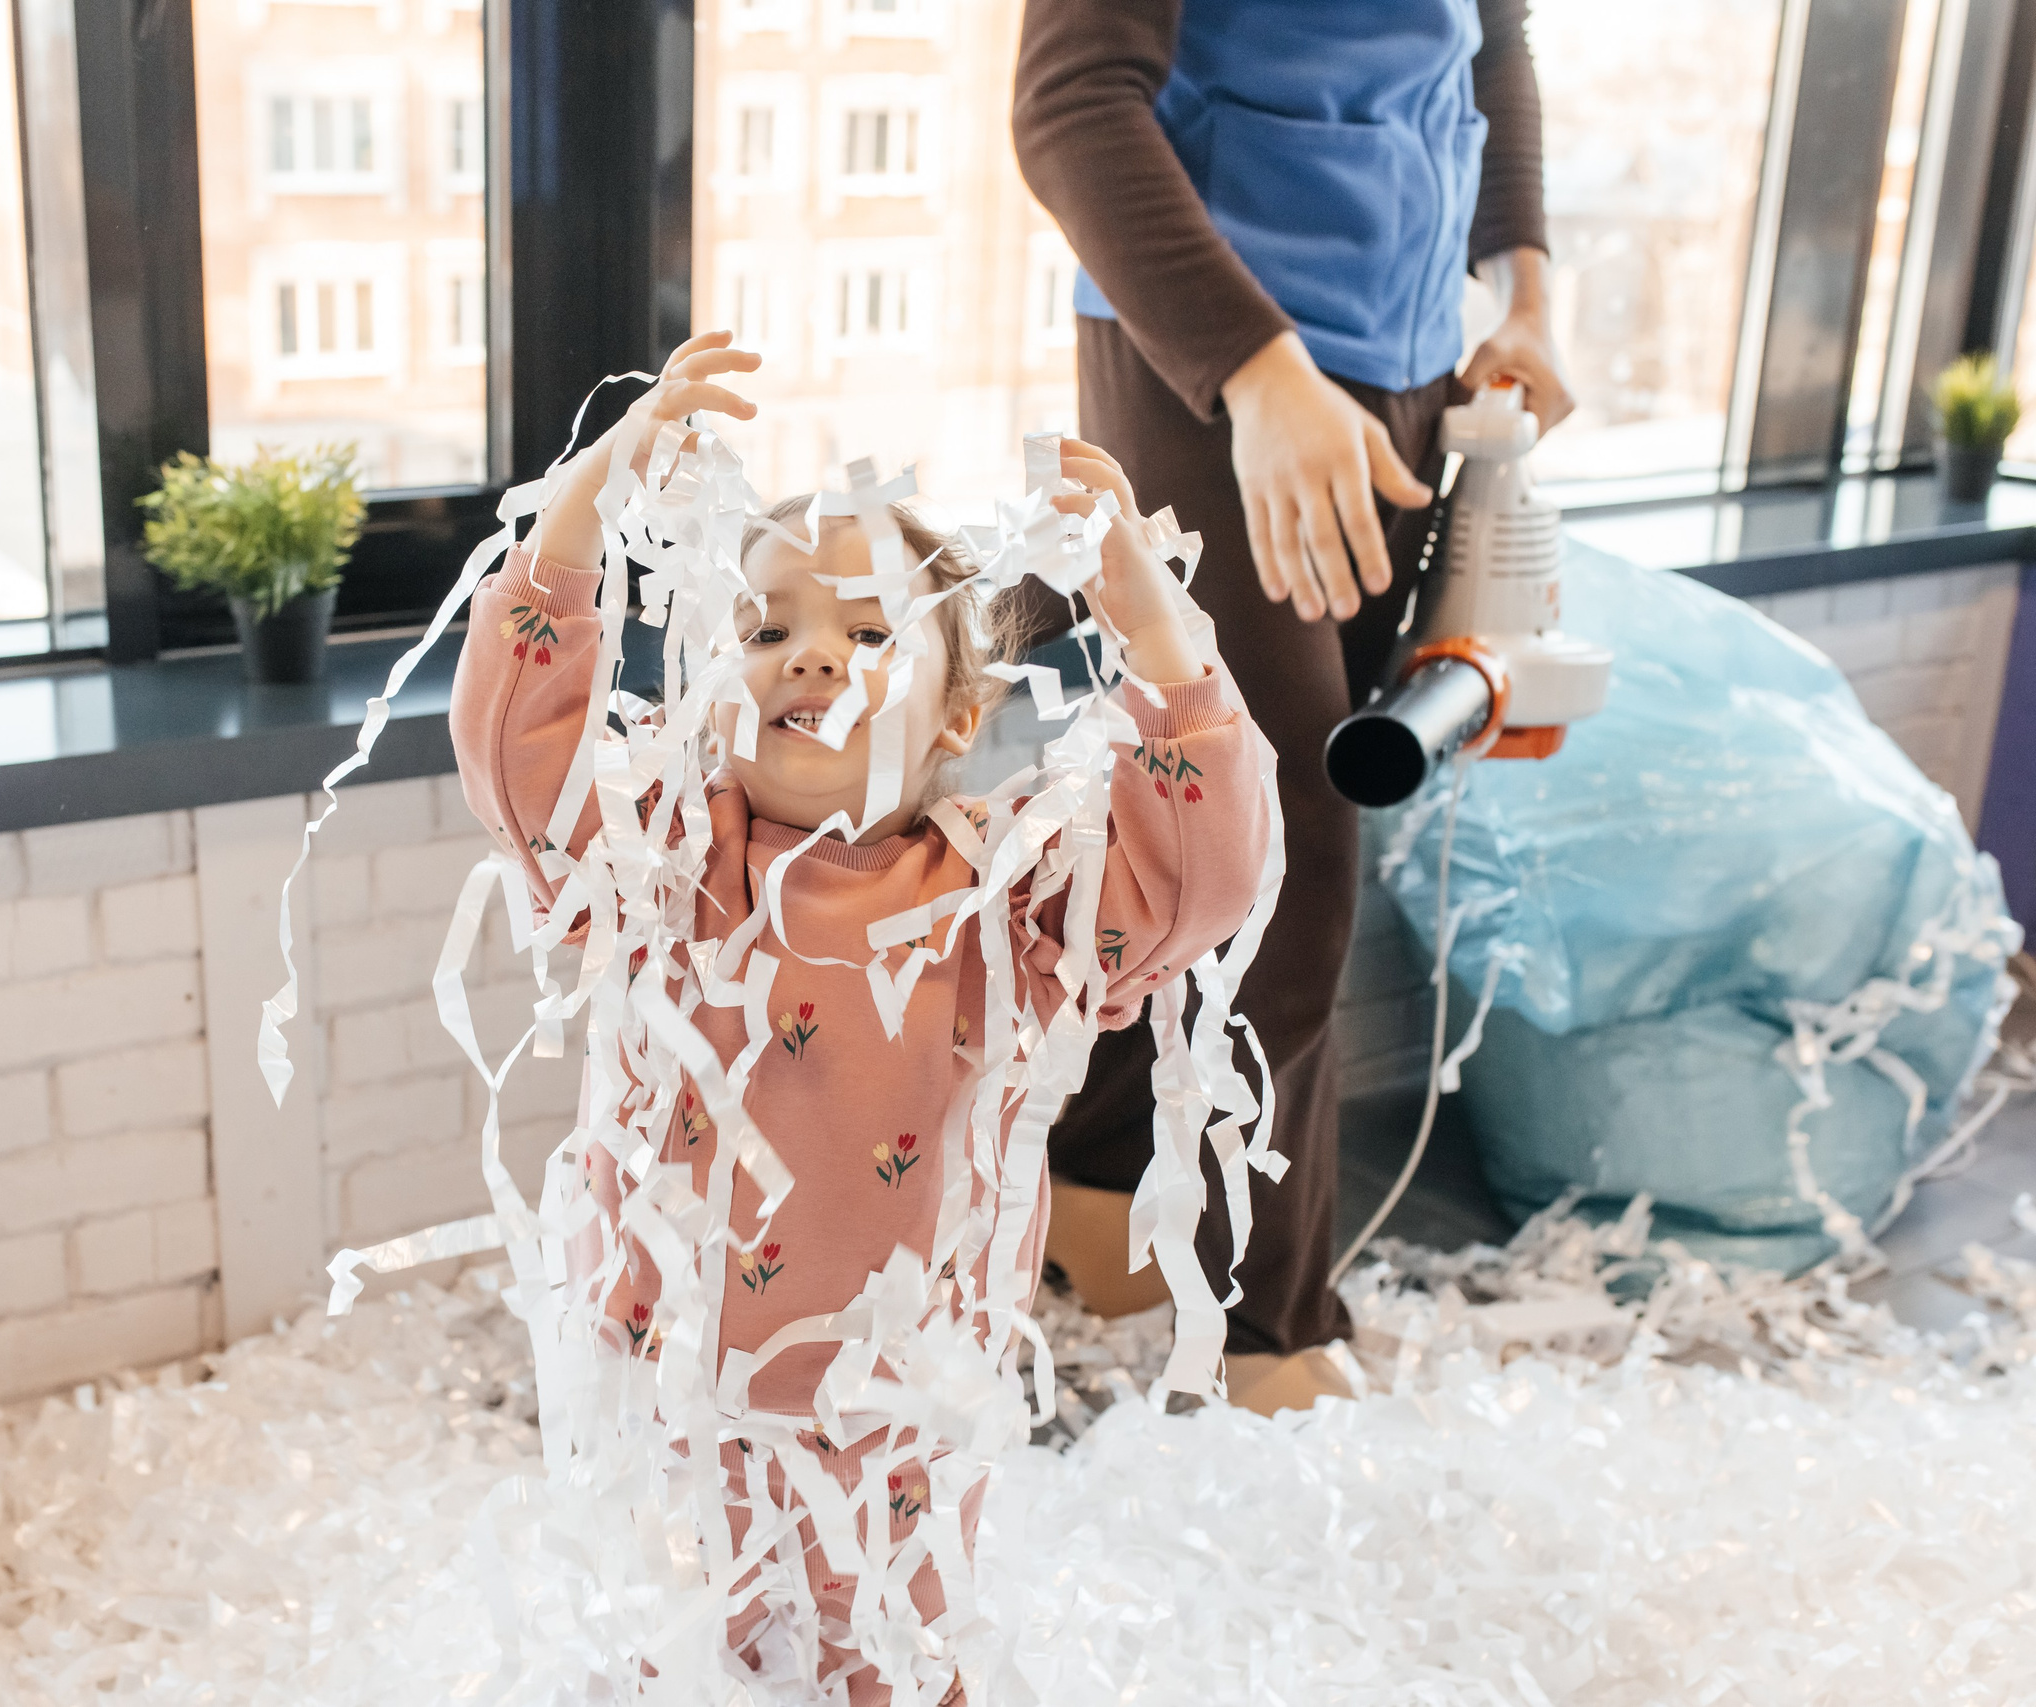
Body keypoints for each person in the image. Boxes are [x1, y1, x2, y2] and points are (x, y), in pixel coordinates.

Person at [449, 331, 1273, 1703]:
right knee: (683, 1665)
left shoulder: (1007, 895)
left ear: (959, 715)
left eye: (871, 633)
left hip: (904, 1420)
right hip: (680, 1402)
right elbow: (514, 752)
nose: (812, 657)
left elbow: (1201, 878)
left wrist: (1155, 632)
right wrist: (589, 498)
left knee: (897, 1662)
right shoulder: (666, 857)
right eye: (765, 629)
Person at [1009, 0, 1573, 1411]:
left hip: (1409, 357)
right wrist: (1260, 377)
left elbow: (1491, 41)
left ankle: (1095, 1184)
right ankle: (1264, 1333)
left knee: (1196, 837)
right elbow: (1069, 104)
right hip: (1214, 364)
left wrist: (1528, 294)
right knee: (1288, 849)